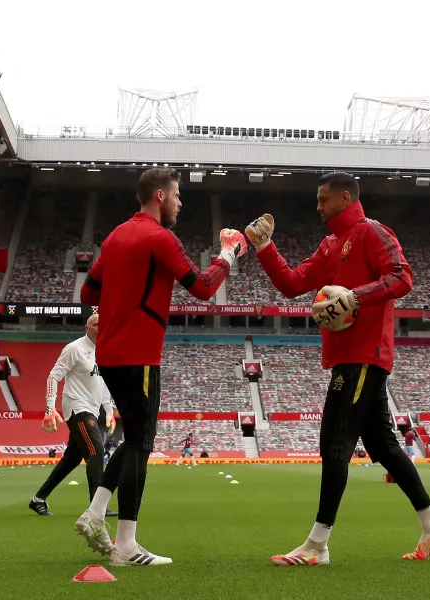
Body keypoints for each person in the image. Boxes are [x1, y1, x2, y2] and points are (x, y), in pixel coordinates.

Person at [246, 171, 430, 566]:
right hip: (349, 355)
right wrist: (265, 247)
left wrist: (355, 296)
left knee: (335, 442)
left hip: (364, 355)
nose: (318, 206)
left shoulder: (373, 232)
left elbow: (402, 277)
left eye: (324, 200)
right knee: (384, 447)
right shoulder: (330, 245)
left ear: (345, 197)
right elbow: (292, 284)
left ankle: (317, 545)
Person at [74, 167, 247, 567]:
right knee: (141, 444)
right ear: (159, 197)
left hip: (111, 355)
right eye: (177, 195)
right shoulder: (160, 238)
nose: (180, 202)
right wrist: (228, 254)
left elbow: (87, 292)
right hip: (140, 354)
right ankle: (125, 546)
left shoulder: (115, 236)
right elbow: (203, 288)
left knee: (134, 440)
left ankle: (95, 513)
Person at [29, 314, 117, 517]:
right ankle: (97, 508)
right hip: (77, 408)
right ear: (87, 327)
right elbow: (53, 376)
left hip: (93, 409)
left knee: (72, 459)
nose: (99, 327)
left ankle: (38, 499)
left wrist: (110, 411)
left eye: (103, 324)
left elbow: (104, 384)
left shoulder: (104, 351)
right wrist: (50, 408)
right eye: (95, 324)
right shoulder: (74, 349)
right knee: (96, 451)